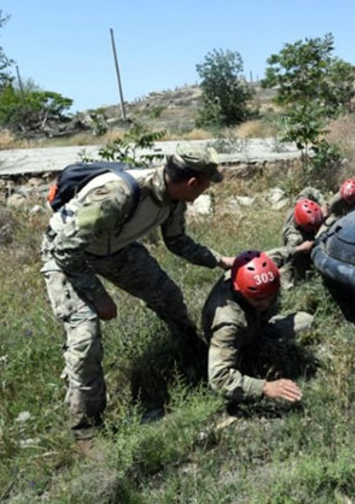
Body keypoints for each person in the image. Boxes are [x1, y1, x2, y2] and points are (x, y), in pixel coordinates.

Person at [40, 144, 235, 442]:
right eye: (208, 184)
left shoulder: (173, 197)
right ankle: (86, 427)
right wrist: (99, 297)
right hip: (66, 254)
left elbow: (177, 241)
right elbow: (65, 248)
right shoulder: (118, 195)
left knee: (167, 295)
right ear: (194, 182)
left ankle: (195, 355)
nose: (207, 190)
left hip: (112, 249)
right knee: (85, 336)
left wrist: (219, 260)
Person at [203, 247, 315, 403]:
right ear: (239, 290)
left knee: (306, 321)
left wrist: (302, 247)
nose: (266, 303)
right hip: (241, 344)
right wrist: (264, 388)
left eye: (271, 296)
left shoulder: (263, 268)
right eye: (257, 300)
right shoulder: (228, 323)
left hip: (258, 326)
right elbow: (219, 378)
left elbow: (280, 253)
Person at [280, 187, 326, 287]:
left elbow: (309, 190)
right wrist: (301, 249)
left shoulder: (300, 202)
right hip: (297, 247)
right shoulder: (295, 238)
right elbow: (286, 254)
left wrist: (323, 204)